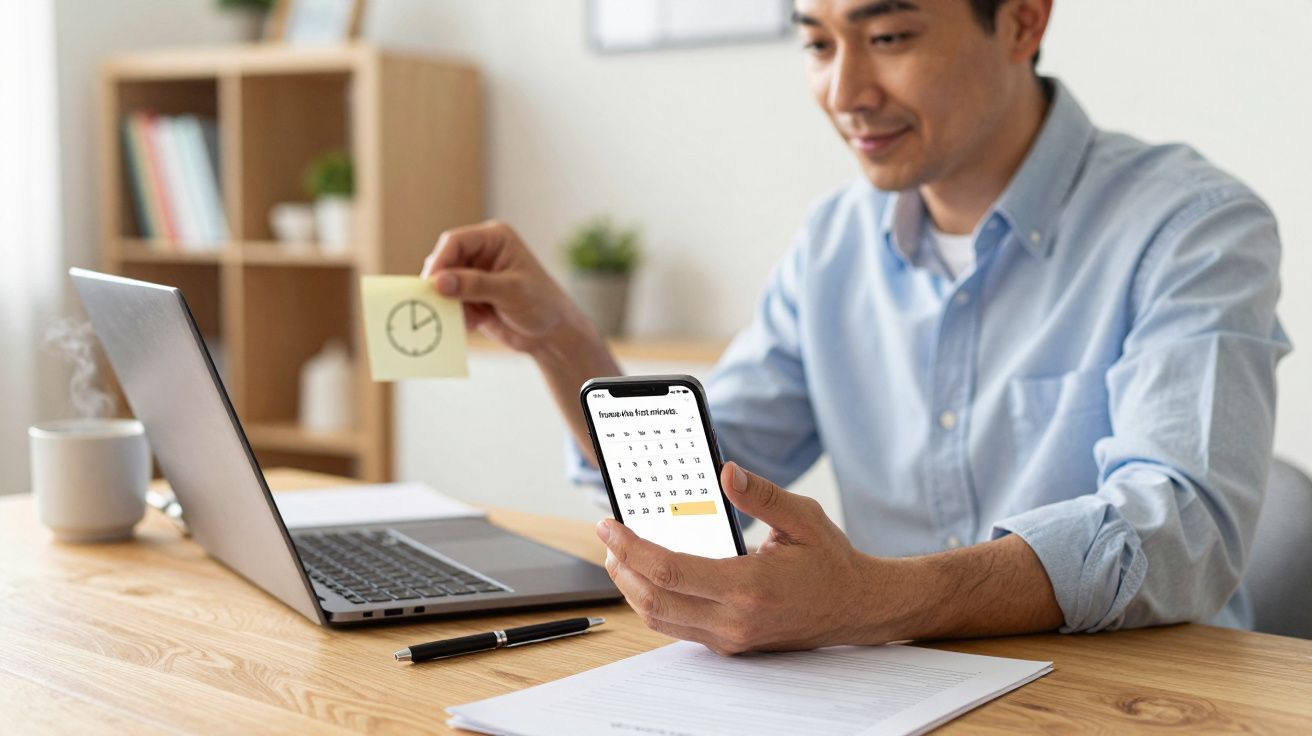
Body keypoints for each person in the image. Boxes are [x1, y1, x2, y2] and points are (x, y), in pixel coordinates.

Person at [421, 0, 1288, 655]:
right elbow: (711, 474)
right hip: (890, 692)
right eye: (816, 43)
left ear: (1023, 20)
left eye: (889, 38)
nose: (845, 92)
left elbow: (1183, 532)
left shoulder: (1192, 226)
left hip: (1135, 699)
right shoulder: (834, 242)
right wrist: (562, 341)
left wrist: (871, 598)